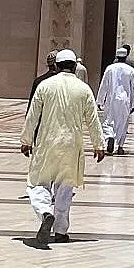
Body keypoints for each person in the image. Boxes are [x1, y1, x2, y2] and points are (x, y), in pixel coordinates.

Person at [20, 49, 105, 246]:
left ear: (56, 66)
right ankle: (60, 231)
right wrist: (98, 145)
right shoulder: (83, 89)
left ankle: (44, 212)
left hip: (47, 143)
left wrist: (26, 141)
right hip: (71, 145)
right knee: (65, 190)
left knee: (38, 184)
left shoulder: (45, 86)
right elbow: (93, 120)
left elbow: (32, 115)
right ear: (75, 67)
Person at [97, 48, 134, 155]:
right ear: (125, 57)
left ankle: (110, 136)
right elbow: (133, 88)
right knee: (123, 123)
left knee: (109, 121)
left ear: (117, 57)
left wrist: (100, 101)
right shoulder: (130, 70)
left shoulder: (110, 68)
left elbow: (104, 85)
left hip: (111, 99)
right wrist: (133, 104)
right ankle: (120, 146)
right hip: (125, 100)